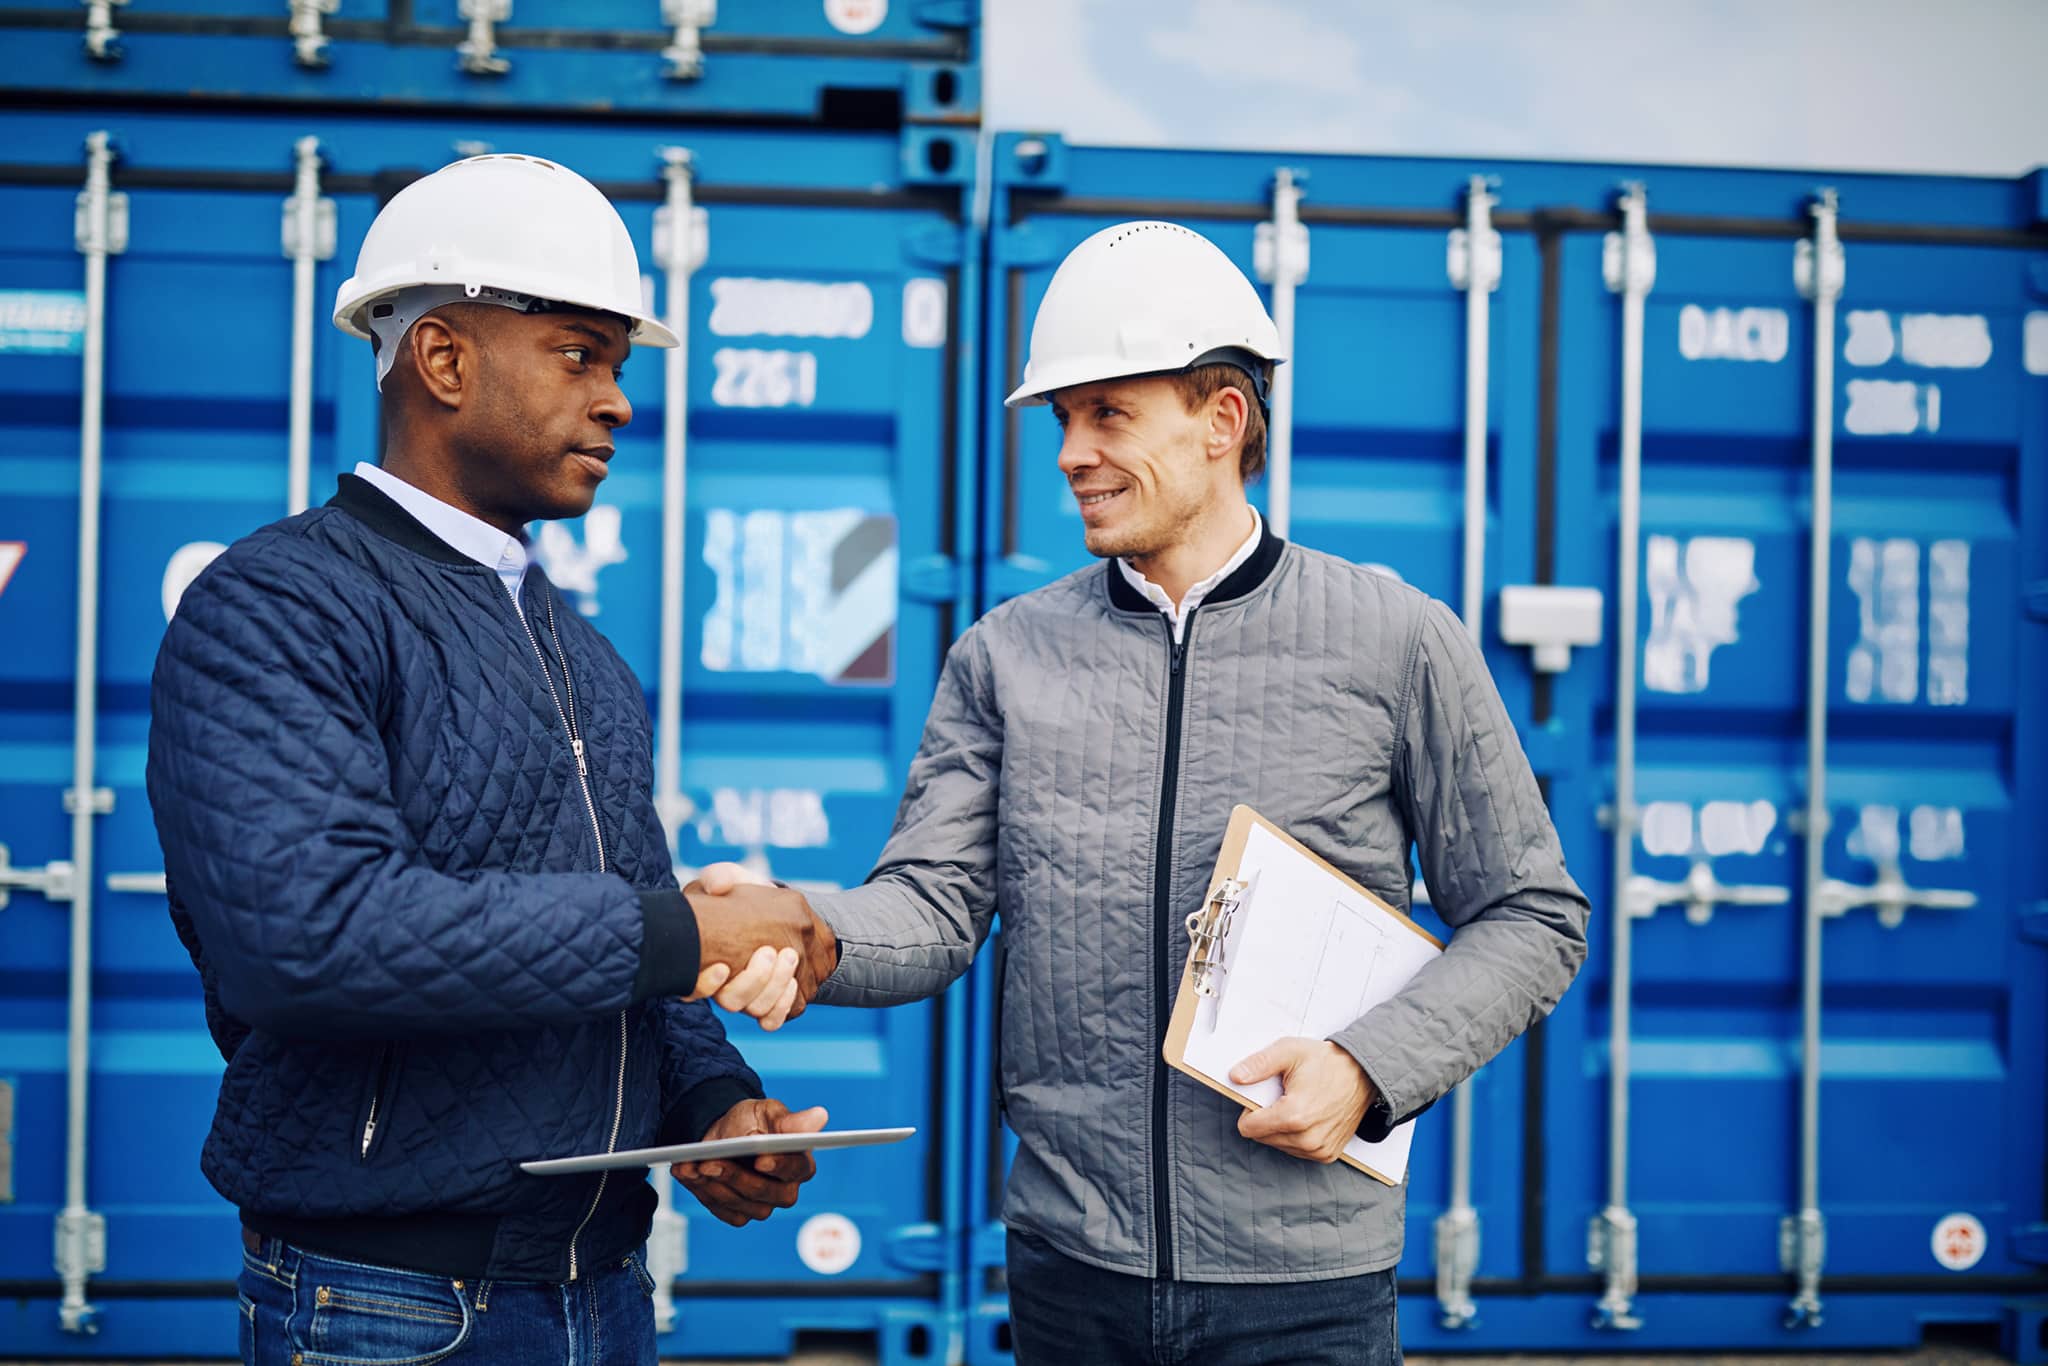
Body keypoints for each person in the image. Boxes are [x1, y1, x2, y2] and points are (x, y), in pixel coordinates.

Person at [700, 220, 1591, 1363]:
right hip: (1072, 1274)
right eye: (1062, 420)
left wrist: (1369, 1072)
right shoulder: (1005, 654)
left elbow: (1531, 915)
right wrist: (798, 924)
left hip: (1304, 1292)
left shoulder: (1396, 640)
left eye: (1106, 412)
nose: (1069, 451)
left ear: (1221, 420)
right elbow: (929, 907)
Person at [146, 153, 836, 1365]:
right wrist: (686, 935)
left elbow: (629, 941)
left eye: (618, 365)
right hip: (384, 1311)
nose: (617, 400)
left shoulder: (583, 655)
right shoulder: (276, 604)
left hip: (604, 1290)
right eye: (579, 354)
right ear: (444, 358)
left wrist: (708, 1106)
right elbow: (306, 936)